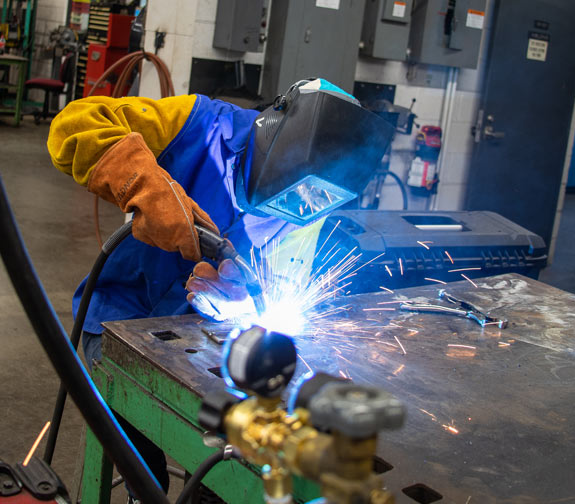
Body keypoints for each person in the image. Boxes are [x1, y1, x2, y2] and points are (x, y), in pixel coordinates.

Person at [47, 78, 393, 500]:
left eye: (318, 200)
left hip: (200, 339)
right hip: (119, 316)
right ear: (278, 140)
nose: (302, 208)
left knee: (225, 463)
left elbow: (282, 285)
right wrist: (143, 185)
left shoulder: (312, 204)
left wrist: (244, 300)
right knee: (143, 466)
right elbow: (75, 124)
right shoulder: (199, 124)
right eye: (301, 193)